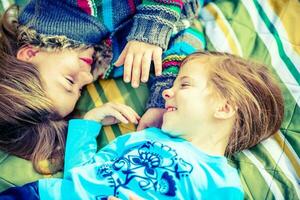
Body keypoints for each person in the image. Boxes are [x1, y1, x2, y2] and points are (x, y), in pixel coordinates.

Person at [0, 51, 284, 199]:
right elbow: (81, 175)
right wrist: (89, 123)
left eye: (184, 84)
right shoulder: (144, 137)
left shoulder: (222, 184)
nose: (167, 92)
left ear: (223, 107)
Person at [16, 0, 205, 130]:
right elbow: (190, 35)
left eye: (69, 80)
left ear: (29, 54)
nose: (88, 78)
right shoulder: (106, 64)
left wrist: (151, 27)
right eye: (80, 89)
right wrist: (162, 101)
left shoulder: (68, 6)